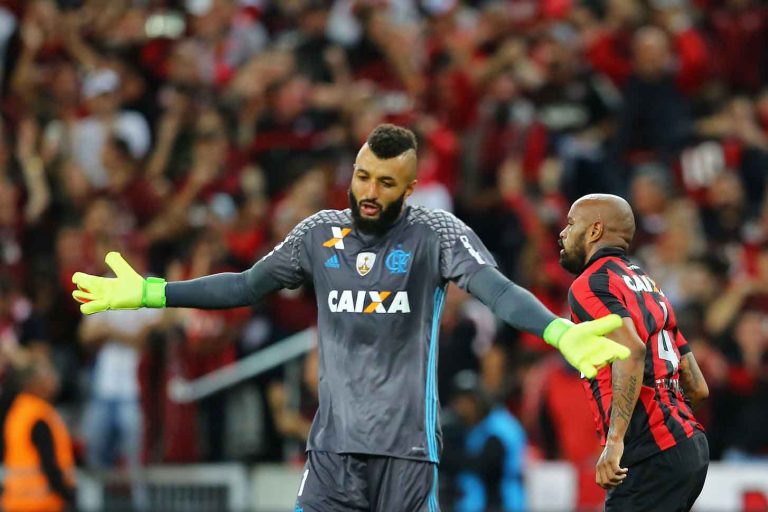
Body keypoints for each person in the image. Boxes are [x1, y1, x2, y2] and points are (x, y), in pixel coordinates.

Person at [71, 124, 628, 511]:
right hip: (332, 448)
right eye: (362, 175)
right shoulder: (317, 234)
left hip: (406, 452)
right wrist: (152, 292)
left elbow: (497, 291)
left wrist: (557, 331)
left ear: (409, 188)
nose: (368, 191)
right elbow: (245, 286)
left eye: (385, 183)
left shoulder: (436, 235)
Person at [558, 193, 710, 511]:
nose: (563, 232)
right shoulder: (650, 287)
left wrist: (615, 444)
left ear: (595, 230)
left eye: (571, 223)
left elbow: (631, 350)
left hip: (650, 453)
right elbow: (697, 385)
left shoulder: (590, 284)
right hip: (689, 444)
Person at [442, 370, 526, 512]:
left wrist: (445, 455)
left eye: (468, 401)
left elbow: (484, 464)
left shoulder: (500, 427)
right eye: (459, 401)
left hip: (503, 505)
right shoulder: (473, 427)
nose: (462, 408)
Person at [1, 354, 75, 512]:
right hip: (40, 503)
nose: (54, 380)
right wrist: (68, 494)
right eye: (48, 375)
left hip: (15, 502)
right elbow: (49, 463)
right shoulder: (38, 416)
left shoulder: (18, 410)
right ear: (32, 383)